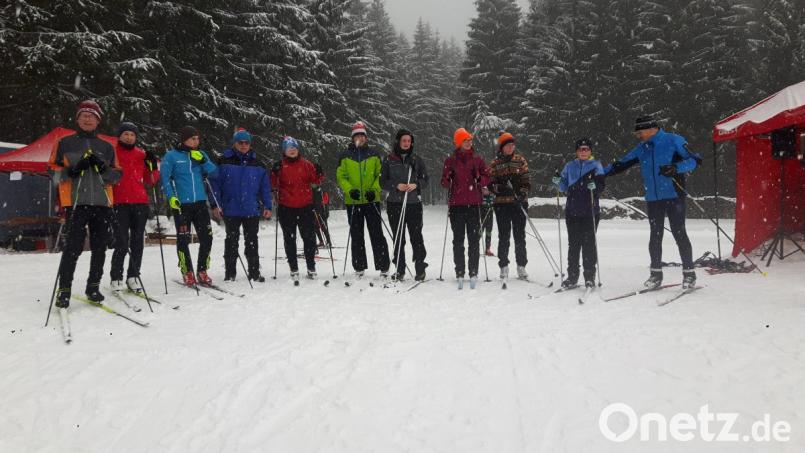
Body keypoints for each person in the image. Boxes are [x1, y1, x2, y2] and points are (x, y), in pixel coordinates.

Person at [605, 116, 701, 289]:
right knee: (655, 236)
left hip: (674, 196)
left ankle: (689, 275)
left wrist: (676, 168)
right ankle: (655, 275)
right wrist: (599, 174)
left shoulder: (674, 140)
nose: (638, 136)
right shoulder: (642, 148)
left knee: (679, 233)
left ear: (651, 129)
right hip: (653, 199)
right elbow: (620, 164)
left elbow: (695, 160)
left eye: (640, 132)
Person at [49, 100, 122, 307]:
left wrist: (103, 169)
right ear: (78, 119)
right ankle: (64, 290)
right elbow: (50, 170)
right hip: (75, 202)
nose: (87, 119)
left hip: (101, 203)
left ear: (98, 121)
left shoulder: (107, 147)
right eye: (84, 115)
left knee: (100, 247)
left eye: (92, 116)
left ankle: (93, 287)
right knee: (72, 247)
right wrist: (70, 171)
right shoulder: (64, 142)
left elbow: (117, 176)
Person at [209, 128, 272, 282]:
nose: (244, 145)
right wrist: (215, 204)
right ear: (235, 143)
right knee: (231, 241)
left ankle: (254, 273)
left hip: (251, 208)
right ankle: (230, 274)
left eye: (247, 142)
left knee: (252, 241)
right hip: (231, 208)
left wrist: (268, 206)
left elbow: (265, 187)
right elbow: (214, 185)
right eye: (240, 142)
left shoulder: (258, 164)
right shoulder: (223, 161)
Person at [159, 126, 217, 286]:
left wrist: (204, 161)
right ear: (184, 139)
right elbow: (165, 178)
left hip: (199, 203)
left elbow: (214, 173)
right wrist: (171, 197)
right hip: (181, 204)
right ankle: (187, 271)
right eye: (193, 138)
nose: (196, 141)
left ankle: (202, 270)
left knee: (207, 237)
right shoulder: (171, 156)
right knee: (183, 239)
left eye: (197, 138)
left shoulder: (201, 154)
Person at [109, 122, 160, 293]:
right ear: (120, 136)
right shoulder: (112, 152)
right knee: (121, 241)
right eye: (126, 134)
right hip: (119, 202)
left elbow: (151, 180)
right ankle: (116, 277)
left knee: (138, 241)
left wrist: (153, 165)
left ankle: (133, 275)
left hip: (139, 202)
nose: (129, 138)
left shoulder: (141, 154)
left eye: (132, 135)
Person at [336, 121, 390, 277]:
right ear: (353, 138)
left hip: (371, 201)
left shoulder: (374, 154)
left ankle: (383, 266)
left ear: (366, 137)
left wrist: (374, 190)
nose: (359, 137)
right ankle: (359, 267)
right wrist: (349, 190)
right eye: (356, 135)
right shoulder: (344, 156)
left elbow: (379, 175)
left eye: (362, 135)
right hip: (353, 202)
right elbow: (341, 176)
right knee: (356, 234)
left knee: (376, 233)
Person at [440, 128, 490, 286]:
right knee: (458, 240)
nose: (469, 143)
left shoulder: (478, 159)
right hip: (457, 206)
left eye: (470, 140)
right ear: (459, 143)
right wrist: (448, 177)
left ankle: (473, 270)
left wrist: (479, 177)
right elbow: (444, 183)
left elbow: (486, 179)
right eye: (465, 140)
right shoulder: (451, 160)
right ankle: (460, 270)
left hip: (474, 205)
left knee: (474, 240)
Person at [553, 138, 605, 289]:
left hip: (590, 212)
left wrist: (594, 185)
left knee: (589, 245)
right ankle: (572, 277)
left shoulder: (596, 165)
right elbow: (563, 186)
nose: (583, 152)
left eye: (586, 149)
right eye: (581, 149)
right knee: (573, 245)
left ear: (590, 151)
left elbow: (601, 185)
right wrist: (557, 181)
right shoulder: (570, 166)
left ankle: (589, 277)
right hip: (572, 211)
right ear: (576, 151)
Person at [270, 136, 322, 282]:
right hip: (286, 207)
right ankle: (293, 268)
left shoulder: (306, 164)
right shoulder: (280, 165)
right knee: (289, 239)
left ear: (298, 149)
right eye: (288, 148)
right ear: (284, 151)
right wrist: (274, 173)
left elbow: (316, 181)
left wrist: (319, 172)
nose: (292, 150)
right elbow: (273, 185)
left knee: (309, 238)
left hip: (305, 206)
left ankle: (311, 267)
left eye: (294, 148)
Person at [380, 128, 429, 281]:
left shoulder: (416, 159)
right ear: (398, 142)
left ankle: (420, 268)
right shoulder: (389, 159)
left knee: (416, 236)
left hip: (413, 203)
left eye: (409, 141)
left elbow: (426, 179)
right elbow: (382, 181)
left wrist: (416, 185)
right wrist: (396, 185)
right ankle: (400, 269)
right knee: (398, 237)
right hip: (395, 203)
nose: (407, 143)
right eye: (404, 141)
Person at [488, 132, 531, 280]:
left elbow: (527, 180)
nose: (511, 148)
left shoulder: (520, 160)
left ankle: (521, 265)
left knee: (520, 236)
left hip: (518, 203)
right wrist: (500, 186)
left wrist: (522, 193)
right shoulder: (495, 163)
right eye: (508, 145)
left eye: (512, 145)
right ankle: (504, 266)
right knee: (504, 236)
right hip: (502, 205)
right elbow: (490, 183)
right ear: (502, 147)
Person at [311, 163, 331, 247]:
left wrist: (324, 204)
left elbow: (325, 196)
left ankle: (328, 241)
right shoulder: (313, 182)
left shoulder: (321, 182)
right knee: (315, 225)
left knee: (322, 224)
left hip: (321, 206)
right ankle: (322, 241)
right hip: (315, 206)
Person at [481, 192, 495, 256]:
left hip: (490, 217)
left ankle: (487, 249)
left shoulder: (492, 196)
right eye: (484, 189)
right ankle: (475, 248)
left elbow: (495, 204)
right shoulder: (480, 196)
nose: (485, 191)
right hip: (482, 216)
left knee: (488, 233)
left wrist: (493, 205)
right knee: (479, 233)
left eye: (486, 189)